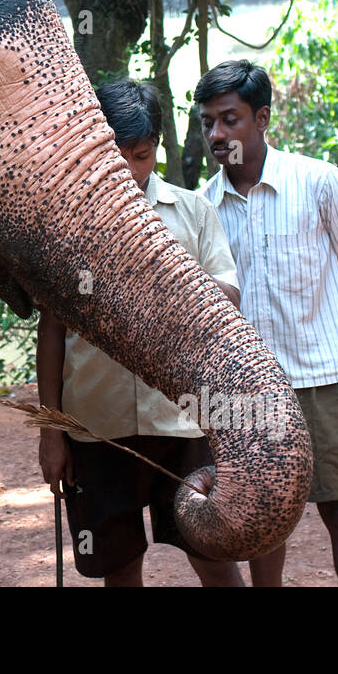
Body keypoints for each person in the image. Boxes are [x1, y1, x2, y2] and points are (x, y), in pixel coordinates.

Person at [36, 78, 244, 587]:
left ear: (156, 148)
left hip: (185, 421)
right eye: (116, 156)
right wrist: (51, 432)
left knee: (214, 552)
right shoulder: (66, 222)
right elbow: (52, 330)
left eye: (142, 155)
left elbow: (231, 298)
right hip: (97, 424)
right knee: (119, 563)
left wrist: (164, 274)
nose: (130, 171)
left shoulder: (193, 212)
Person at [195, 60, 338, 587]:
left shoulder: (320, 183)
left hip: (325, 382)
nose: (216, 134)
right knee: (261, 524)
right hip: (247, 396)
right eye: (207, 121)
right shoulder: (203, 208)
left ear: (263, 118)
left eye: (230, 119)